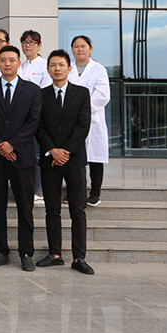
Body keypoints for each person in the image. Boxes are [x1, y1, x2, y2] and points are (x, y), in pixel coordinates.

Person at [0, 45, 42, 272]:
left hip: (22, 157)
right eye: (3, 60)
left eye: (12, 60)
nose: (7, 64)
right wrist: (1, 145)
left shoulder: (32, 90)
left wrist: (13, 144)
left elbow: (34, 122)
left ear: (18, 63)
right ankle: (1, 251)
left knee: (25, 207)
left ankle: (26, 252)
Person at [36, 50, 95, 275]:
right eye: (53, 65)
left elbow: (83, 125)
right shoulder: (40, 95)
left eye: (61, 65)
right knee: (52, 209)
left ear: (69, 68)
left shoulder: (81, 93)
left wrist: (66, 151)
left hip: (74, 160)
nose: (57, 68)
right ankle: (55, 254)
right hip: (50, 161)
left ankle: (79, 257)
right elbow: (38, 126)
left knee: (77, 210)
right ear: (48, 69)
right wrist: (52, 150)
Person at [69, 35, 110, 207]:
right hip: (71, 120)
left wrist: (82, 111)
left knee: (95, 157)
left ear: (90, 48)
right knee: (73, 157)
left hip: (93, 119)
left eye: (83, 46)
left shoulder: (99, 69)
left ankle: (95, 193)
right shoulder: (68, 67)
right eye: (76, 46)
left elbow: (102, 96)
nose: (79, 49)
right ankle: (74, 193)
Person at [19, 30, 51, 205]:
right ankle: (26, 190)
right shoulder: (20, 66)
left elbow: (42, 93)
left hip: (37, 118)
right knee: (25, 156)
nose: (28, 45)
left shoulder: (45, 66)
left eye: (32, 42)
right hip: (20, 119)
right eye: (25, 42)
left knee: (38, 156)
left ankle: (39, 192)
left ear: (39, 45)